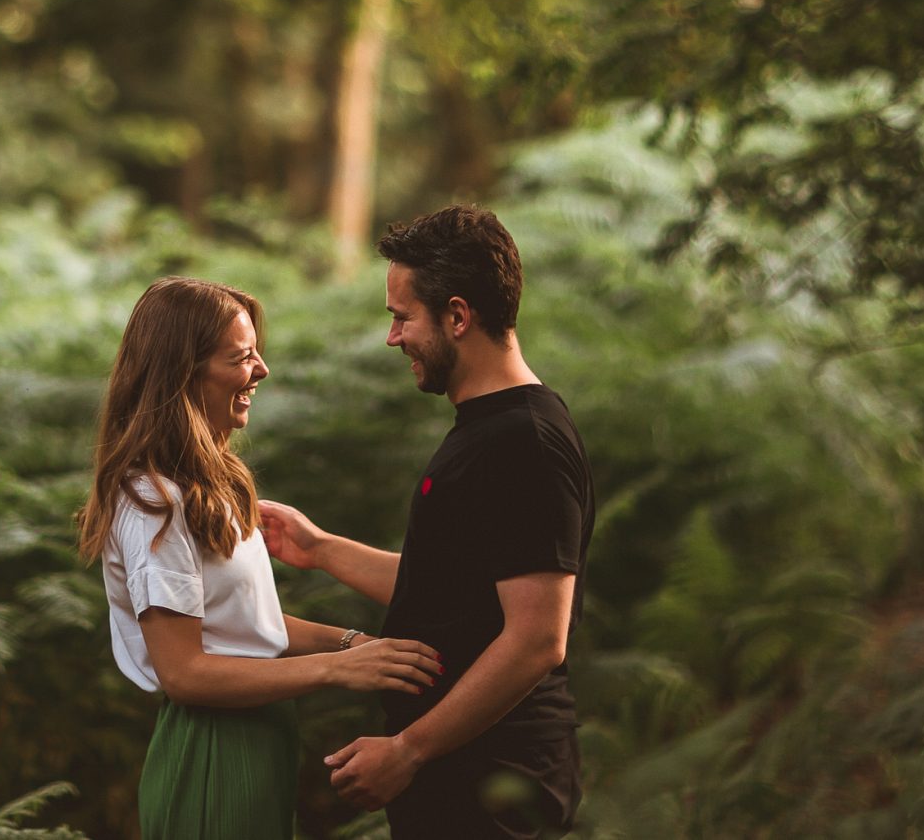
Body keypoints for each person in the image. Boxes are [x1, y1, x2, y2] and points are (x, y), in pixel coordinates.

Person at [261, 206, 595, 839]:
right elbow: (455, 592)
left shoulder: (522, 441)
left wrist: (409, 748)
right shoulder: (489, 430)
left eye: (402, 317)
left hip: (497, 782)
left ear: (458, 316)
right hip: (461, 775)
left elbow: (537, 639)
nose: (393, 338)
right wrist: (320, 548)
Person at [77, 276, 444, 840]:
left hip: (260, 733)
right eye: (242, 357)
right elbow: (186, 673)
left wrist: (351, 643)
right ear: (183, 373)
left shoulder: (205, 485)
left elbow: (246, 630)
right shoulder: (153, 502)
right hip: (212, 748)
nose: (262, 370)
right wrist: (336, 669)